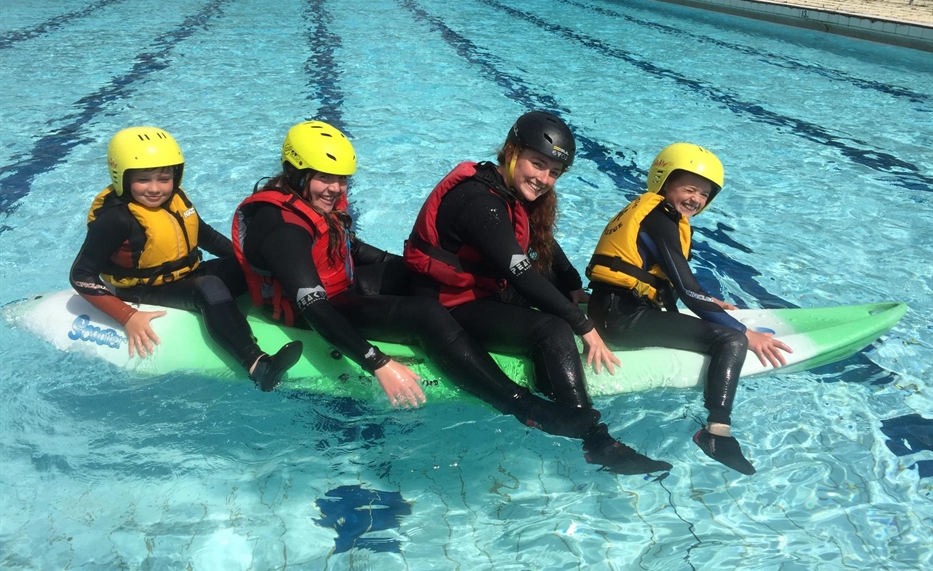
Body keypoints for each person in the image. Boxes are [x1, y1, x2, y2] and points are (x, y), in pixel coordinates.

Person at [232, 120, 595, 435]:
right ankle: (522, 405)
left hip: (341, 288)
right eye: (326, 178)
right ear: (296, 172)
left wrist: (408, 266)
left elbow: (348, 248)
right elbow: (313, 307)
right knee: (426, 313)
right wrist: (378, 363)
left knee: (419, 282)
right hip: (317, 311)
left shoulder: (310, 201)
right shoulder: (281, 227)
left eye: (342, 179)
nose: (337, 189)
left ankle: (469, 335)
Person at [404, 111, 672, 475]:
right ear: (512, 151)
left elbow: (544, 243)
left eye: (553, 173)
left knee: (552, 319)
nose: (543, 179)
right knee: (554, 329)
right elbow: (522, 274)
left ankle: (572, 417)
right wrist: (583, 326)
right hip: (447, 305)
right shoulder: (480, 202)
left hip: (480, 293)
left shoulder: (510, 192)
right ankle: (595, 440)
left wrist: (572, 285)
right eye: (537, 164)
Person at [586, 143, 793, 475]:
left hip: (612, 309)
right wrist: (744, 331)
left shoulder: (651, 214)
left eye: (705, 194)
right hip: (622, 318)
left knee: (720, 327)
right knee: (731, 341)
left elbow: (667, 283)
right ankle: (716, 434)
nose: (696, 199)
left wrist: (712, 304)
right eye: (690, 188)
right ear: (664, 182)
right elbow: (689, 291)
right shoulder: (661, 219)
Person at [70, 126, 302, 391]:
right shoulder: (115, 219)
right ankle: (258, 364)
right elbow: (81, 274)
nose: (155, 188)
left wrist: (248, 263)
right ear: (121, 177)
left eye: (164, 178)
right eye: (143, 180)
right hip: (144, 291)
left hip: (186, 275)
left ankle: (300, 315)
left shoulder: (176, 199)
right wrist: (127, 316)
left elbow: (208, 238)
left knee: (252, 261)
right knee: (209, 287)